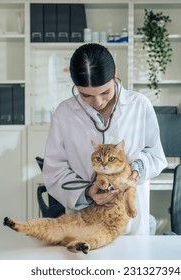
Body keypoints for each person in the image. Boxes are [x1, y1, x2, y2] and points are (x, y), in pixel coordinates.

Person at [43, 43, 167, 235]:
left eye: (105, 92)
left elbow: (155, 155)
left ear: (115, 73)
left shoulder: (139, 105)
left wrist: (137, 170)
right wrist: (87, 193)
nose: (98, 102)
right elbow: (54, 171)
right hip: (85, 224)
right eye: (86, 95)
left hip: (130, 226)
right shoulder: (64, 113)